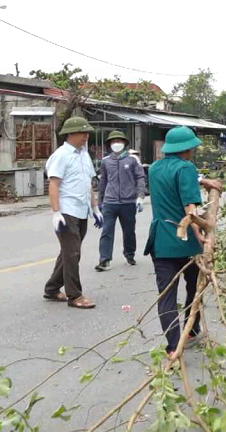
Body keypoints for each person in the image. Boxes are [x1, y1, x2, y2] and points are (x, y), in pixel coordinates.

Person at [144, 127, 221, 358]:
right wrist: (200, 232)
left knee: (166, 295)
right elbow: (191, 210)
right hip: (185, 243)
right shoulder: (187, 167)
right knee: (195, 287)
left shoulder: (155, 168)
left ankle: (172, 346)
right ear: (187, 148)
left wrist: (202, 179)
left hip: (160, 241)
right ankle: (192, 327)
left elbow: (172, 178)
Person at [43, 117, 103, 310]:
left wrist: (95, 208)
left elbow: (88, 184)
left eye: (87, 133)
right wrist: (56, 212)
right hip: (67, 210)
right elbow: (54, 184)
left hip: (81, 210)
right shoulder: (61, 155)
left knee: (69, 252)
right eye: (82, 132)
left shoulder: (84, 155)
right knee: (72, 253)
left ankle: (52, 288)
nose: (86, 136)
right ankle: (74, 295)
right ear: (70, 134)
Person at [96, 130, 146, 271]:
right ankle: (104, 259)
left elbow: (140, 178)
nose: (116, 144)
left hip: (128, 202)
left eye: (119, 141)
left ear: (124, 143)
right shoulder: (106, 161)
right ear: (109, 144)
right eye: (113, 142)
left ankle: (129, 254)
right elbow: (103, 181)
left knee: (129, 231)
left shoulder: (132, 160)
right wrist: (100, 201)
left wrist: (140, 197)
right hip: (110, 202)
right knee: (106, 231)